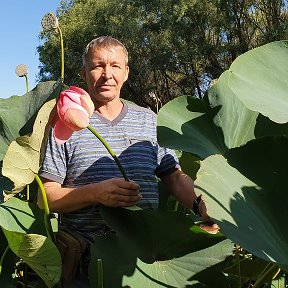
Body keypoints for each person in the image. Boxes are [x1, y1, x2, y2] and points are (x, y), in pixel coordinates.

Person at [38, 36, 218, 287]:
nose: (106, 74)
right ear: (84, 72)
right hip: (86, 266)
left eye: (115, 66)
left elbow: (174, 177)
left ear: (126, 73)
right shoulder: (65, 126)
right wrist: (96, 193)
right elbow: (46, 196)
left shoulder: (149, 121)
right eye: (98, 66)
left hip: (145, 262)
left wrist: (202, 205)